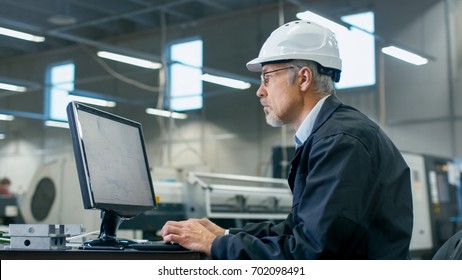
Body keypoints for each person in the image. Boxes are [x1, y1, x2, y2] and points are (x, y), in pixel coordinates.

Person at [161, 20, 413, 259]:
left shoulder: (340, 142)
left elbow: (308, 254)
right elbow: (296, 231)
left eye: (267, 77)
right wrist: (223, 234)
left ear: (303, 78)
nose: (260, 90)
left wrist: (214, 245)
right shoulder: (328, 136)